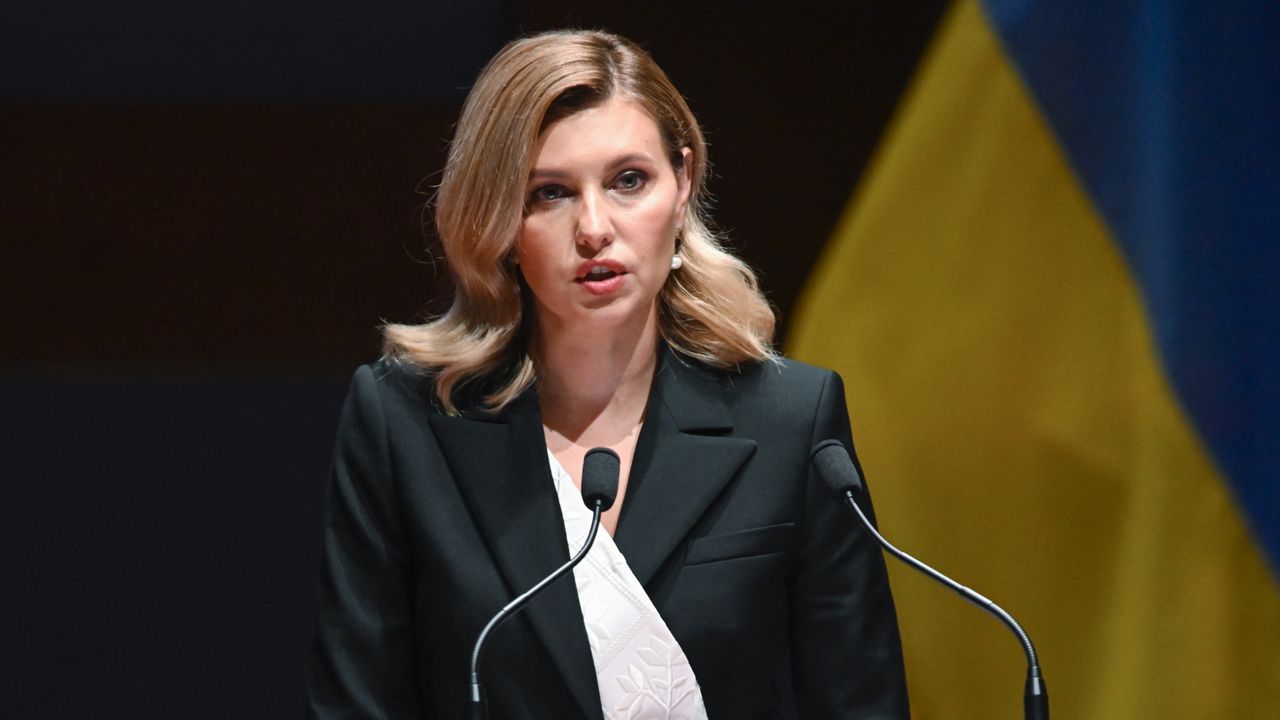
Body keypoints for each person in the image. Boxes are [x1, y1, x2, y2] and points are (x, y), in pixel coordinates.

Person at [306, 29, 909, 719]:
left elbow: (862, 703)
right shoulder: (404, 425)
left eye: (629, 181)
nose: (595, 227)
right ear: (498, 219)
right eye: (551, 193)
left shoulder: (791, 422)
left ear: (682, 184)